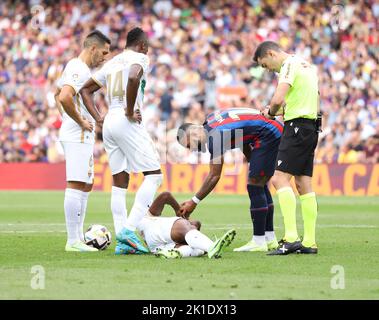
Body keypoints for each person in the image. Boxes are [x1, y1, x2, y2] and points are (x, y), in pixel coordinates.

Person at [80, 27, 163, 254]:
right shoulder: (140, 57)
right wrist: (128, 110)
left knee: (120, 182)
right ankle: (128, 229)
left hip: (109, 122)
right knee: (155, 176)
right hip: (127, 119)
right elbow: (135, 75)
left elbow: (85, 90)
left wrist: (98, 118)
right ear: (143, 45)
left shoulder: (112, 63)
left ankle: (122, 243)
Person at [177, 107, 283, 252]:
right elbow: (241, 132)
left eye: (189, 144)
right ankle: (269, 239)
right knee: (260, 183)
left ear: (195, 131)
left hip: (268, 133)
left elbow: (214, 176)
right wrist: (252, 159)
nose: (192, 149)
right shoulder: (211, 120)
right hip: (271, 128)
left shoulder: (214, 136)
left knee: (254, 185)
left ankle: (259, 241)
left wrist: (193, 201)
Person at [254, 41, 320, 255]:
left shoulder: (288, 65)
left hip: (297, 127)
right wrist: (281, 111)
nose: (267, 69)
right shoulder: (306, 65)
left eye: (265, 64)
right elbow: (303, 100)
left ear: (271, 54)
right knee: (303, 183)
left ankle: (291, 238)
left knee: (278, 179)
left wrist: (271, 112)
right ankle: (309, 242)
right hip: (311, 126)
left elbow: (277, 99)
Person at [57, 30, 110, 252]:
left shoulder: (77, 68)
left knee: (86, 184)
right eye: (104, 52)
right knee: (77, 183)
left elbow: (56, 93)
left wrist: (66, 119)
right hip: (78, 133)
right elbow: (64, 97)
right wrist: (79, 121)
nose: (105, 57)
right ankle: (72, 241)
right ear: (93, 48)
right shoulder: (78, 68)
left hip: (80, 133)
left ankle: (78, 237)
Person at [116, 191, 236, 259]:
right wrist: (178, 210)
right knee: (184, 225)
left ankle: (176, 253)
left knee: (197, 249)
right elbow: (165, 196)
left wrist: (191, 223)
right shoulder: (146, 216)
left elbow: (196, 224)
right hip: (156, 232)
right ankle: (212, 247)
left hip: (157, 247)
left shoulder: (145, 219)